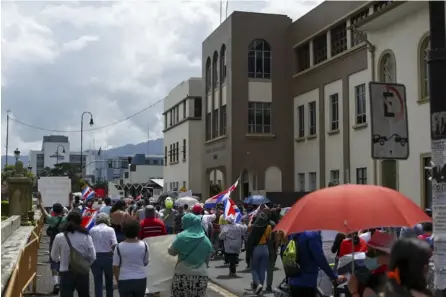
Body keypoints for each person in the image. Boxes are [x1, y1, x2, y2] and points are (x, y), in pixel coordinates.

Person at [51, 211, 96, 297]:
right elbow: (93, 256)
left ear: (67, 221)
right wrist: (85, 264)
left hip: (65, 272)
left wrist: (61, 260)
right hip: (82, 272)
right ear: (80, 222)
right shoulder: (86, 236)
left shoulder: (59, 236)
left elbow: (54, 256)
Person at [287, 231, 345, 297]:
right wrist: (334, 276)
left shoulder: (294, 235)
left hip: (293, 281)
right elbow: (320, 258)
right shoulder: (313, 235)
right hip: (307, 283)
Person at [168, 213, 213, 297]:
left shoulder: (181, 237)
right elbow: (207, 260)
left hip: (182, 273)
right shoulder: (206, 240)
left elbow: (171, 251)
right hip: (201, 275)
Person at [37, 192, 72, 294]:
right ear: (61, 210)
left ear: (53, 211)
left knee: (54, 262)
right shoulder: (66, 219)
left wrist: (40, 199)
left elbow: (42, 209)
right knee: (64, 261)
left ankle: (56, 283)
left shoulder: (51, 219)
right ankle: (63, 282)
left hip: (53, 242)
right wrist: (70, 200)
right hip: (65, 242)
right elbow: (71, 210)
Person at [347, 231, 394, 297]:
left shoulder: (374, 276)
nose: (366, 252)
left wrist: (354, 292)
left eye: (368, 250)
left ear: (374, 251)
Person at [113, 219, 149, 297]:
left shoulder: (118, 247)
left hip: (124, 279)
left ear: (124, 231)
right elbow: (146, 262)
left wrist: (118, 280)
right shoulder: (145, 245)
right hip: (140, 278)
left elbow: (115, 267)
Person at [90, 213, 117, 297]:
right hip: (108, 257)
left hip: (95, 257)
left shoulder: (92, 230)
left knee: (97, 281)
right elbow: (114, 245)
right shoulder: (110, 230)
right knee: (109, 280)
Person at [246, 212, 273, 295]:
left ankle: (258, 284)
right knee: (262, 269)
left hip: (256, 248)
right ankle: (260, 288)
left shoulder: (254, 226)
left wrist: (250, 220)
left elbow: (248, 228)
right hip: (265, 249)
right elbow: (269, 238)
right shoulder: (268, 226)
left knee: (253, 268)